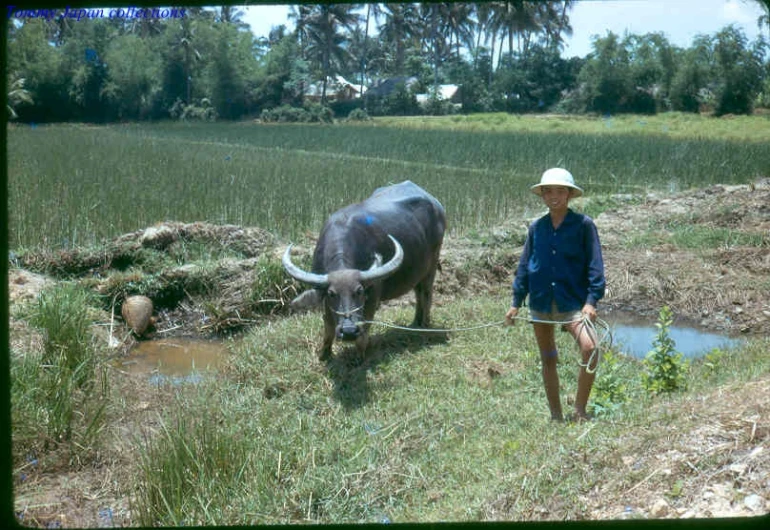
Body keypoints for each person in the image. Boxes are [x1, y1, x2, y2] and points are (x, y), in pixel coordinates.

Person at [505, 168, 606, 422]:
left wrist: (591, 301)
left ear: (569, 194)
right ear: (542, 195)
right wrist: (516, 302)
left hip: (572, 302)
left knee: (590, 348)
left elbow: (595, 266)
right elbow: (526, 266)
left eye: (560, 191)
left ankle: (580, 411)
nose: (554, 196)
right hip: (540, 300)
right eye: (548, 191)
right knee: (548, 357)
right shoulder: (537, 228)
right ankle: (556, 415)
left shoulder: (583, 226)